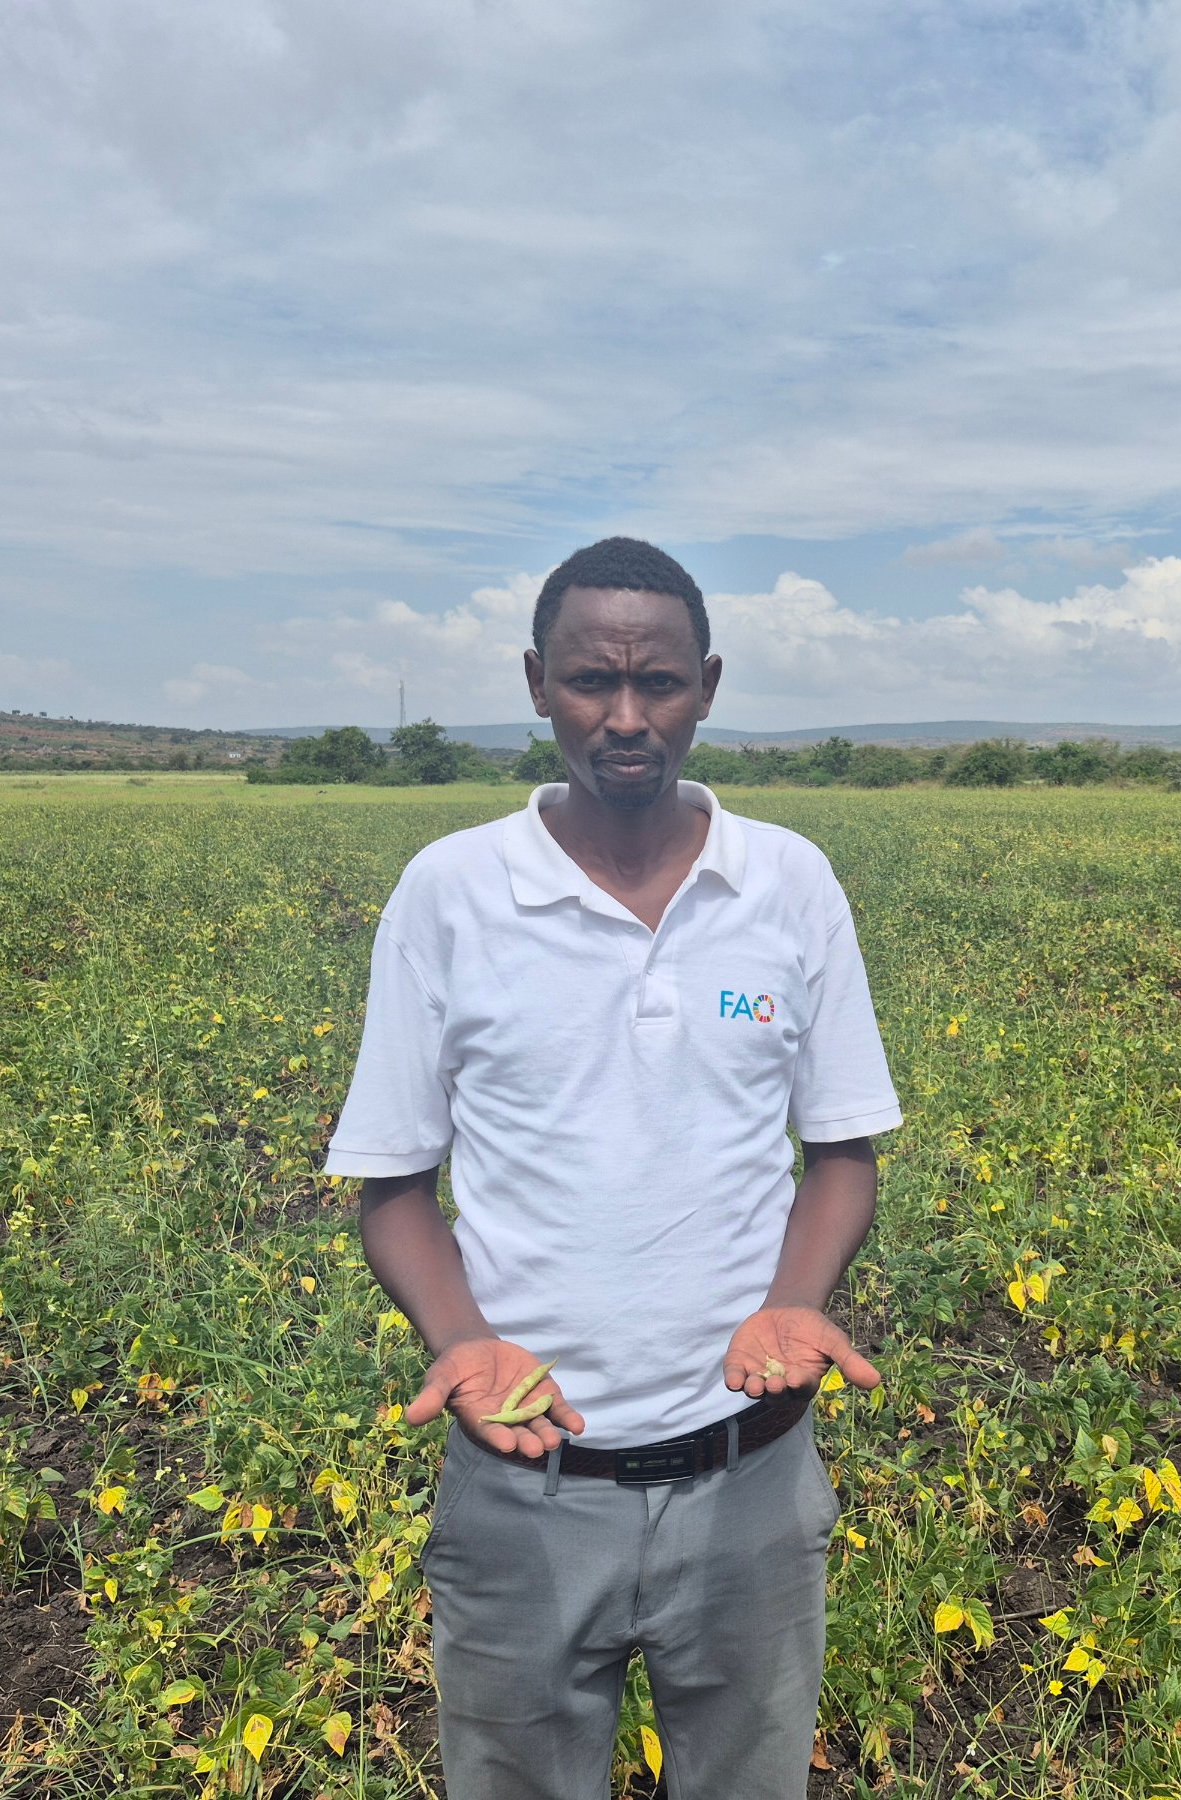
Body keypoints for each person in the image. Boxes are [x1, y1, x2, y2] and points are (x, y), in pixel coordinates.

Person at [322, 536, 900, 1800]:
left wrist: (797, 1300)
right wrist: (458, 1337)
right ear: (538, 683)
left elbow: (841, 1150)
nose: (627, 719)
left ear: (710, 686)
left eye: (661, 685)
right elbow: (395, 1187)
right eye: (592, 681)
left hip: (751, 1475)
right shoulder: (452, 893)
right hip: (525, 1487)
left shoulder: (790, 883)